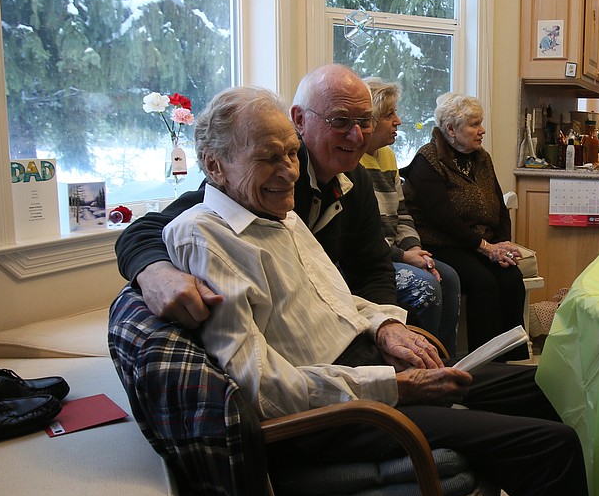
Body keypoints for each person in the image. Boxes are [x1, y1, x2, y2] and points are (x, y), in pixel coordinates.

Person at [162, 85, 599, 496]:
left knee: (557, 379)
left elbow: (342, 299)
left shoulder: (282, 215)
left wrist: (386, 328)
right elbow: (263, 388)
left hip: (371, 374)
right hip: (340, 413)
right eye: (269, 156)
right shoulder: (205, 237)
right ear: (214, 165)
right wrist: (395, 386)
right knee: (551, 448)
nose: (289, 169)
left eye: (291, 152)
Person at [114, 64, 397, 327]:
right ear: (299, 119)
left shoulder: (356, 180)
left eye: (364, 121)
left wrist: (385, 329)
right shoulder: (262, 175)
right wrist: (156, 273)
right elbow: (145, 230)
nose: (358, 136)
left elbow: (373, 267)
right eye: (340, 121)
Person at [403, 92, 528, 361]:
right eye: (474, 124)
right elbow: (442, 218)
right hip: (444, 243)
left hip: (479, 243)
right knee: (484, 283)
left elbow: (498, 204)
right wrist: (485, 248)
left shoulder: (481, 158)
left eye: (480, 123)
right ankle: (485, 363)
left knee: (511, 279)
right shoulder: (427, 160)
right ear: (451, 129)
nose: (482, 130)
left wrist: (503, 244)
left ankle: (513, 359)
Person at [361, 77, 462, 354]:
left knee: (450, 277)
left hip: (398, 252)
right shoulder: (352, 162)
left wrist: (415, 248)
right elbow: (363, 238)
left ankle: (446, 359)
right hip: (374, 259)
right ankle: (421, 361)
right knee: (426, 285)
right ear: (370, 120)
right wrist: (404, 257)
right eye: (389, 115)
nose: (398, 120)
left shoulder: (388, 158)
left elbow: (402, 214)